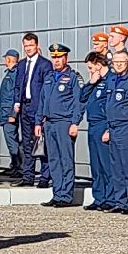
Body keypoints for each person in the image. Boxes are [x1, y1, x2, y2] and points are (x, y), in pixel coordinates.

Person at [36, 42, 82, 207]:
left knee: (66, 159)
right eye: (54, 57)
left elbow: (79, 102)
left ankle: (66, 195)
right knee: (54, 160)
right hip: (49, 123)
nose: (56, 61)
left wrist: (75, 122)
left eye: (59, 57)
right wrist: (38, 121)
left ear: (66, 58)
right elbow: (42, 101)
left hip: (64, 122)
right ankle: (57, 193)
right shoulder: (49, 78)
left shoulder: (73, 78)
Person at [100, 48, 128, 215]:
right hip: (113, 127)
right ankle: (120, 200)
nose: (117, 65)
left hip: (127, 127)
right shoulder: (112, 81)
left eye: (121, 62)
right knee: (116, 166)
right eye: (115, 62)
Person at [14, 32, 48, 188]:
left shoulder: (44, 64)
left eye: (31, 46)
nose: (28, 49)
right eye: (26, 46)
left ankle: (44, 177)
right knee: (27, 143)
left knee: (40, 142)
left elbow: (46, 90)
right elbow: (18, 85)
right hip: (25, 107)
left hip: (38, 108)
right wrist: (16, 102)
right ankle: (28, 176)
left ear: (37, 46)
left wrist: (43, 111)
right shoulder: (21, 65)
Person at [81, 50, 112, 211]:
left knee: (105, 163)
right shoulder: (95, 81)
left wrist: (109, 128)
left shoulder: (111, 80)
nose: (90, 71)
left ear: (99, 66)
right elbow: (82, 97)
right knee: (96, 164)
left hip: (103, 124)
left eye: (91, 68)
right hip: (92, 124)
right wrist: (91, 82)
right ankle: (99, 197)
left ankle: (109, 197)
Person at [0, 49, 21, 178]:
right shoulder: (10, 73)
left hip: (9, 114)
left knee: (12, 141)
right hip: (5, 113)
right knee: (10, 140)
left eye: (6, 58)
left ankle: (18, 167)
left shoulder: (14, 74)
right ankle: (15, 165)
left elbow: (14, 96)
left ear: (9, 59)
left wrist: (13, 114)